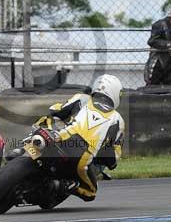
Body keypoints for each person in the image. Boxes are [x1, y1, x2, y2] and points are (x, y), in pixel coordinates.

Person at [42, 74, 125, 203]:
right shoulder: (118, 119)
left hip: (60, 139)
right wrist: (109, 161)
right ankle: (69, 185)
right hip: (82, 159)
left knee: (47, 118)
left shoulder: (81, 98)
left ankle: (25, 145)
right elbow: (113, 156)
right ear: (115, 93)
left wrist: (56, 116)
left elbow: (57, 110)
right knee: (91, 193)